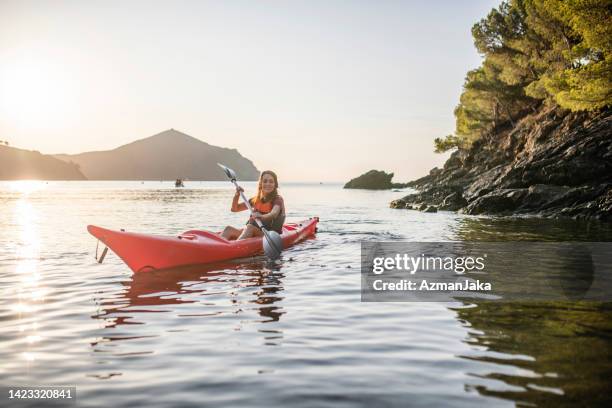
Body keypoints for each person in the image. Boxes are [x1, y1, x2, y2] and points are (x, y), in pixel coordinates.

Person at [221, 170, 286, 240]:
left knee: (250, 227)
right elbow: (235, 209)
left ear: (275, 184)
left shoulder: (278, 199)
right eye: (265, 181)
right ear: (261, 184)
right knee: (228, 229)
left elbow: (274, 213)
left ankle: (235, 247)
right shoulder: (255, 200)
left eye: (271, 181)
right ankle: (219, 247)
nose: (268, 184)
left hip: (270, 234)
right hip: (253, 231)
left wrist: (261, 216)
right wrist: (237, 195)